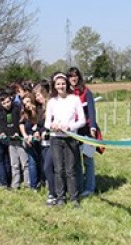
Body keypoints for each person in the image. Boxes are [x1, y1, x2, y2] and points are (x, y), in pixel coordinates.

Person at [44, 72, 85, 208]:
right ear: (54, 86)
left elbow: (82, 120)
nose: (61, 86)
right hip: (56, 139)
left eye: (63, 83)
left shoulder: (75, 99)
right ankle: (60, 197)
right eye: (58, 84)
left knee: (70, 170)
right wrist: (52, 126)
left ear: (67, 84)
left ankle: (74, 198)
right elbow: (46, 123)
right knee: (58, 170)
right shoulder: (51, 102)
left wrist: (70, 126)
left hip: (71, 138)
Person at [68, 66, 99, 197]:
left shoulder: (86, 92)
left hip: (86, 131)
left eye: (75, 76)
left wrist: (92, 128)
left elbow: (91, 111)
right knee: (75, 160)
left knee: (88, 159)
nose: (73, 78)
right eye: (70, 76)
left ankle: (90, 187)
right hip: (73, 131)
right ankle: (79, 186)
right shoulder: (67, 93)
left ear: (79, 77)